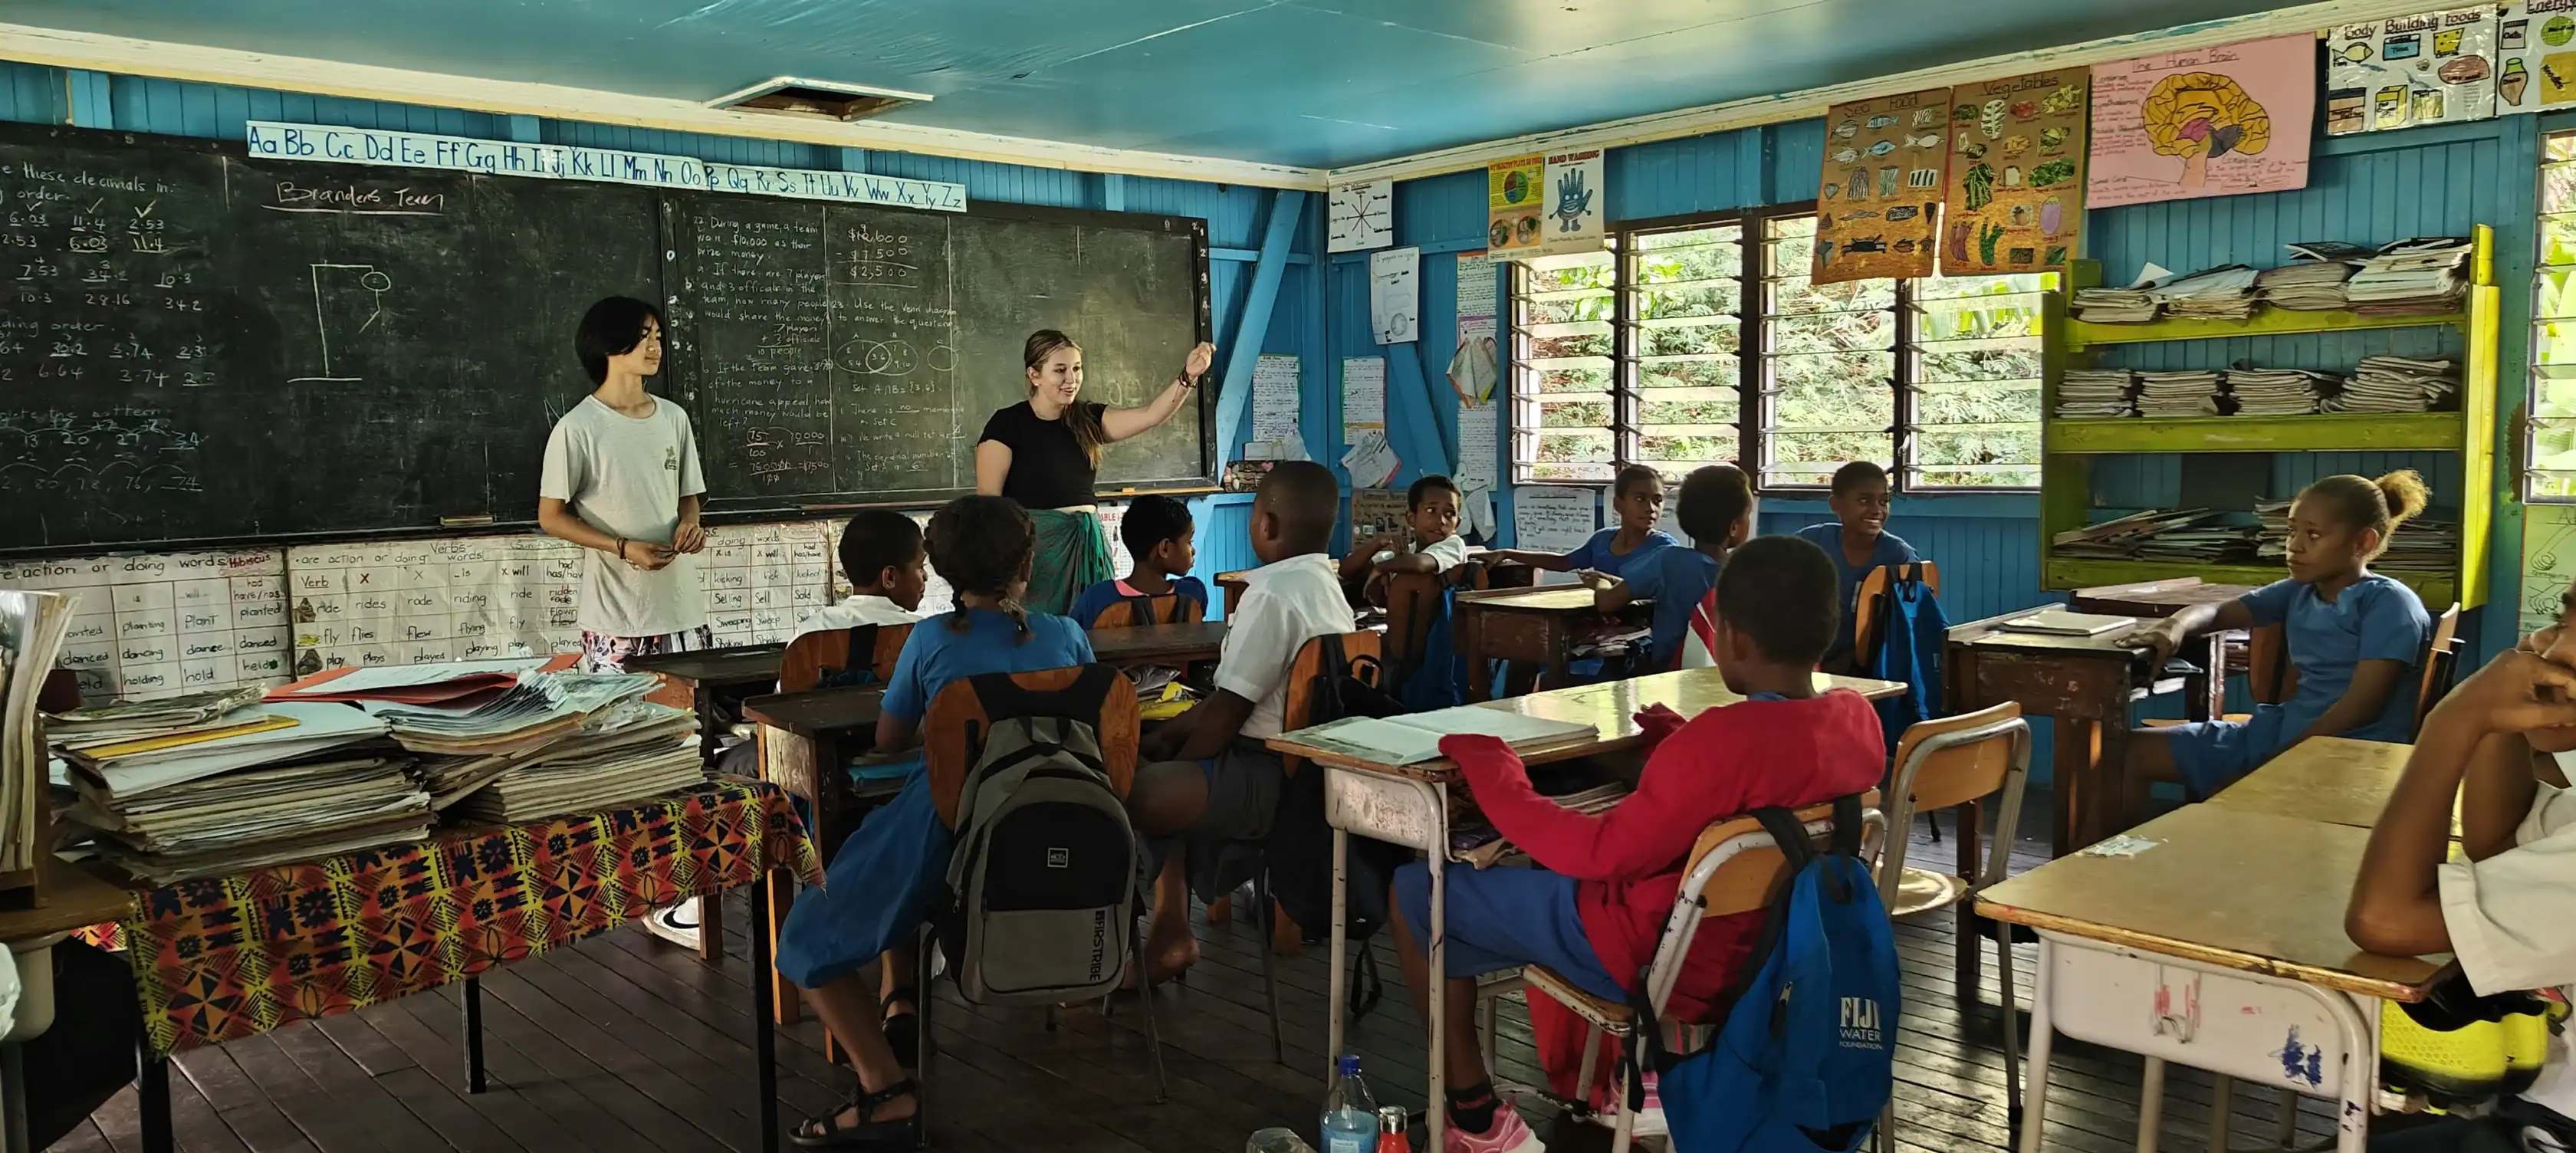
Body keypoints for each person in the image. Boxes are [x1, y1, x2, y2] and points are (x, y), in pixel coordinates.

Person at [1388, 534, 1887, 1152]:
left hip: (1664, 961)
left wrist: (1499, 774)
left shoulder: (1720, 741)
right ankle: (1642, 1072)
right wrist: (1678, 746)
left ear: (1730, 637)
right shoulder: (1856, 721)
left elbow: (1596, 855)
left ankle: (1475, 1117)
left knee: (1418, 892)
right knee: (1530, 875)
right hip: (1779, 954)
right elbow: (1774, 774)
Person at [773, 496, 1096, 1149]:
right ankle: (903, 994)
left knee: (804, 938)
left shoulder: (930, 640)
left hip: (948, 826)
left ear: (943, 572)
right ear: (1027, 565)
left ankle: (885, 1088)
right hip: (1058, 831)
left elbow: (890, 739)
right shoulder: (1066, 634)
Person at [2347, 586, 2576, 1151]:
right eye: (2562, 620)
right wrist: (2496, 721)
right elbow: (2497, 845)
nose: (2553, 648)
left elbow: (2385, 920)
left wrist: (2454, 722)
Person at [1126, 462, 1355, 981]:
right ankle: (1172, 929)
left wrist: (1181, 761)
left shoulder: (1271, 594)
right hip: (1312, 770)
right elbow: (1227, 697)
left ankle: (1165, 929)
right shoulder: (1325, 585)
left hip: (1271, 774)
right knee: (1155, 757)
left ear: (1266, 524)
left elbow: (1229, 712)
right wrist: (1171, 737)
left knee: (1133, 792)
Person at [536, 294, 713, 948]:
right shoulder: (578, 428)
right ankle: (644, 888)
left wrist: (691, 525)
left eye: (658, 334)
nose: (655, 345)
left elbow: (689, 497)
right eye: (643, 335)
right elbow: (551, 516)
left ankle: (684, 889)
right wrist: (620, 547)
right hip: (617, 615)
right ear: (608, 346)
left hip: (682, 609)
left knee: (688, 749)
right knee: (629, 756)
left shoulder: (673, 418)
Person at [2121, 471, 2433, 800]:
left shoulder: (2389, 604)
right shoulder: (2300, 590)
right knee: (2126, 751)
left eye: (2313, 534)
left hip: (2347, 755)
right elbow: (2218, 612)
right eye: (2291, 531)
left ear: (2363, 543)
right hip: (2281, 735)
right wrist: (2174, 625)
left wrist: (2286, 759)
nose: (2295, 546)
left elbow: (2362, 706)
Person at [976, 330, 1216, 616]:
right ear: (1034, 375)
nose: (1072, 379)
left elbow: (1151, 415)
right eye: (1060, 370)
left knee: (1097, 628)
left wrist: (1188, 377)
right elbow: (989, 506)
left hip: (1088, 550)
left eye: (1077, 368)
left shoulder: (1088, 418)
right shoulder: (1006, 424)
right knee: (1039, 631)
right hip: (1035, 556)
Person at [1592, 463, 1756, 671]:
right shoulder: (1746, 572)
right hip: (1727, 675)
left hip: (1671, 676)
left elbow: (1607, 602)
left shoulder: (1670, 560)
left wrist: (1601, 582)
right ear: (1734, 527)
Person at [1798, 462, 1921, 672]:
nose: (1877, 510)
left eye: (1884, 501)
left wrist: (1845, 664)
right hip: (1804, 662)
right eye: (1864, 500)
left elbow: (1906, 627)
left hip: (1875, 668)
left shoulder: (1900, 556)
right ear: (1835, 504)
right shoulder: (1811, 542)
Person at [1486, 464, 1677, 583]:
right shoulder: (1603, 540)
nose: (1651, 508)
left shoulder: (1664, 548)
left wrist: (1608, 582)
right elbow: (1563, 563)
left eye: (1658, 500)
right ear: (1618, 504)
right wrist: (1507, 553)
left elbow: (1659, 596)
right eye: (1640, 499)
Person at [1068, 494, 1209, 628]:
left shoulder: (1096, 599)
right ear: (1165, 548)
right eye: (1190, 542)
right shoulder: (1194, 593)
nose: (1193, 551)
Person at [795, 509, 929, 640]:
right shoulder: (922, 635)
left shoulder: (810, 631)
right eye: (920, 567)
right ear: (889, 577)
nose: (926, 577)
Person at [1342, 474, 1470, 605]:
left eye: (1449, 514)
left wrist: (1382, 568)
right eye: (1431, 510)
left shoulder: (1454, 545)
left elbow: (1420, 564)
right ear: (1411, 518)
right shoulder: (1408, 551)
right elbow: (1346, 571)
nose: (1441, 521)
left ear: (1457, 524)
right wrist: (1379, 542)